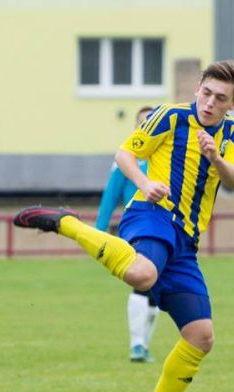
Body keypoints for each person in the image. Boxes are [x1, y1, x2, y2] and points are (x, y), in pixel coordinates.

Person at [14, 60, 234, 392]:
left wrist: (215, 159)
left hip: (186, 242)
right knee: (141, 274)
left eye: (221, 98)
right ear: (198, 88)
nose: (210, 103)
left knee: (201, 336)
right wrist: (145, 185)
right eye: (206, 93)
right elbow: (124, 155)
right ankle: (65, 222)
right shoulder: (169, 117)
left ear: (233, 103)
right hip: (151, 214)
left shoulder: (232, 132)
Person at [95, 106, 160, 363]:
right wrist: (98, 232)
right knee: (142, 284)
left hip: (165, 229)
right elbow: (110, 197)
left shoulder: (165, 158)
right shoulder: (126, 161)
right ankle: (136, 344)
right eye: (143, 123)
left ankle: (143, 345)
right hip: (138, 228)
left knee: (157, 290)